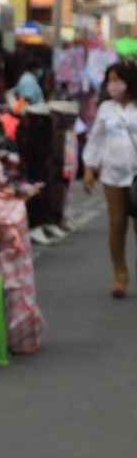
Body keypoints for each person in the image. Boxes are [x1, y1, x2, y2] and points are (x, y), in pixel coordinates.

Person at [82, 61, 137, 297]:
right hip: (113, 175)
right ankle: (120, 274)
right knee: (117, 224)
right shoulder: (106, 108)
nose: (112, 85)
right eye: (110, 80)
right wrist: (89, 167)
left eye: (117, 79)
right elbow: (96, 139)